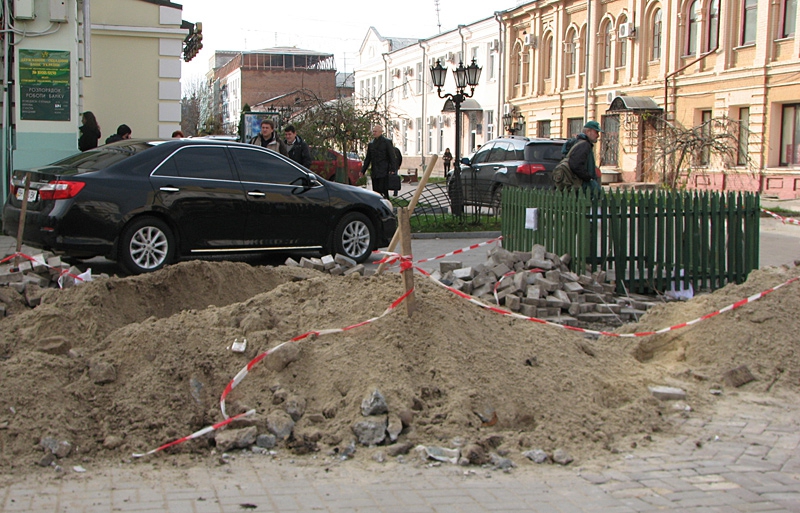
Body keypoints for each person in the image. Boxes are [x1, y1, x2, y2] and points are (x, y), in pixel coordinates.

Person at [360, 124, 397, 200]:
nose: (374, 133)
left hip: (384, 171)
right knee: (375, 191)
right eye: (373, 131)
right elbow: (368, 158)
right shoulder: (371, 144)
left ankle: (386, 206)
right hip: (375, 171)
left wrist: (393, 169)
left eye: (375, 131)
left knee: (383, 190)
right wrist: (363, 170)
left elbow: (392, 156)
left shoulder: (387, 142)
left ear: (381, 132)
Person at [567, 120, 602, 191]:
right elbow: (575, 165)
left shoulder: (579, 143)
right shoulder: (584, 145)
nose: (598, 135)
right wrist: (588, 178)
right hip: (582, 185)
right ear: (588, 131)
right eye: (596, 132)